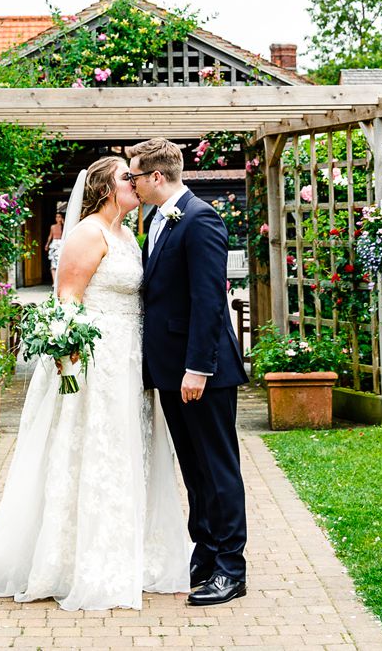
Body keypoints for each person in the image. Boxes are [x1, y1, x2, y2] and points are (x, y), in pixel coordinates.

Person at [0, 156, 190, 610]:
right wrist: (68, 353)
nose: (134, 182)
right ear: (107, 188)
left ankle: (128, 548)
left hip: (130, 360)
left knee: (129, 450)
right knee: (93, 450)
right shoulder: (87, 233)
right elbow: (67, 299)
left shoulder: (128, 234)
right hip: (95, 361)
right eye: (125, 177)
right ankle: (76, 560)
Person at [130, 136, 249, 606]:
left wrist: (198, 368)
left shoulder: (200, 218)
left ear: (157, 176)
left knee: (218, 470)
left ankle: (231, 568)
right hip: (171, 371)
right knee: (194, 470)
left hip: (203, 373)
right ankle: (204, 552)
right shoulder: (159, 219)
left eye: (136, 176)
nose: (132, 184)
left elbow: (208, 301)